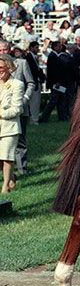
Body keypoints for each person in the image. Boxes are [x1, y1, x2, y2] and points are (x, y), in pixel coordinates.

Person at [0, 40, 34, 176]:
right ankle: (8, 173)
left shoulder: (21, 63)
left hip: (19, 108)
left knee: (20, 141)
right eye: (0, 50)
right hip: (2, 110)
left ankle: (22, 170)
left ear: (9, 49)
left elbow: (31, 83)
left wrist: (24, 99)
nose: (3, 52)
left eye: (4, 49)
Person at [0, 55, 24, 194]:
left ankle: (5, 188)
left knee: (6, 156)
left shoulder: (17, 84)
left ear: (9, 67)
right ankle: (10, 177)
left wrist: (2, 114)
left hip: (9, 127)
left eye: (1, 67)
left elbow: (18, 108)